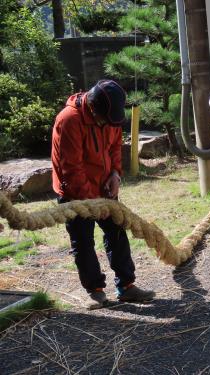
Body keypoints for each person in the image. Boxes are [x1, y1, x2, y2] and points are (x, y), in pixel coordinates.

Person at [51, 79, 155, 309]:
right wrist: (92, 201)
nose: (108, 124)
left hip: (104, 187)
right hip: (75, 194)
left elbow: (115, 146)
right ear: (92, 108)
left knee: (117, 233)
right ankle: (95, 290)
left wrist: (116, 174)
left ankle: (127, 286)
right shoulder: (69, 120)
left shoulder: (110, 117)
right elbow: (72, 169)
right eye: (104, 120)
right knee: (83, 242)